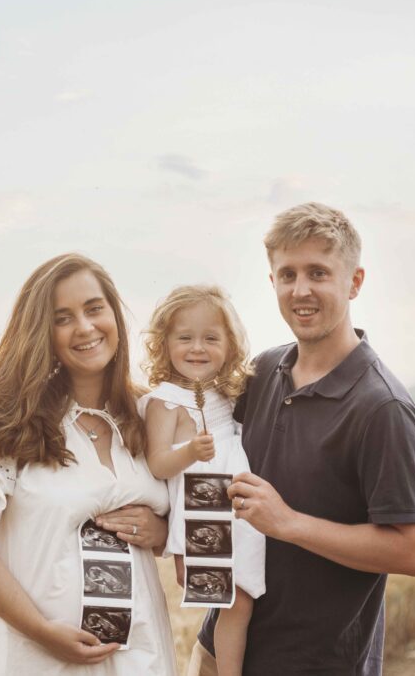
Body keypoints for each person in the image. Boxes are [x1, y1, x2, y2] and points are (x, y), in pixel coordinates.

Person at [186, 203, 415, 675]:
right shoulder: (260, 372)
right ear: (272, 282)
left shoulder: (382, 408)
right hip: (220, 652)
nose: (301, 290)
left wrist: (288, 523)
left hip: (316, 665)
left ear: (354, 281)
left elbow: (412, 550)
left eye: (318, 272)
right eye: (288, 274)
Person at [0, 253, 178, 675]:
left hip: (135, 655)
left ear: (114, 314)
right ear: (41, 331)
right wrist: (41, 630)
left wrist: (162, 533)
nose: (85, 327)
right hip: (33, 655)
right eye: (63, 318)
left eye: (94, 309)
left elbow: (197, 517)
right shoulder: (4, 423)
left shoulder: (152, 414)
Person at [136, 285, 266, 676]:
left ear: (230, 345)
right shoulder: (165, 400)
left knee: (244, 596)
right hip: (202, 507)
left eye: (211, 338)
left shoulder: (227, 393)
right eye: (185, 338)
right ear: (164, 344)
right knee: (232, 600)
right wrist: (190, 452)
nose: (198, 348)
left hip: (238, 505)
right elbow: (159, 463)